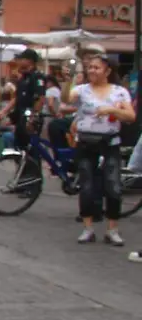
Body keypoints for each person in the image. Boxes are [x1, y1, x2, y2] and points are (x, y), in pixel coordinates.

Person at [62, 54, 135, 246]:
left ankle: (112, 229)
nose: (92, 71)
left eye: (97, 67)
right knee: (86, 187)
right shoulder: (82, 90)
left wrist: (111, 110)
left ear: (107, 71)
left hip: (110, 144)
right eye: (90, 67)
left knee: (113, 187)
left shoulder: (119, 92)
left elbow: (130, 116)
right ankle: (88, 228)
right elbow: (66, 99)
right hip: (86, 143)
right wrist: (67, 80)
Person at [0, 48, 47, 193]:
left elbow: (40, 98)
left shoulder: (37, 77)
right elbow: (17, 98)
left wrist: (33, 117)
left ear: (29, 61)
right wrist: (5, 111)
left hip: (30, 119)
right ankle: (21, 180)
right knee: (20, 151)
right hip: (20, 117)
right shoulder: (23, 78)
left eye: (21, 59)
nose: (18, 61)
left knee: (31, 153)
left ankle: (33, 184)